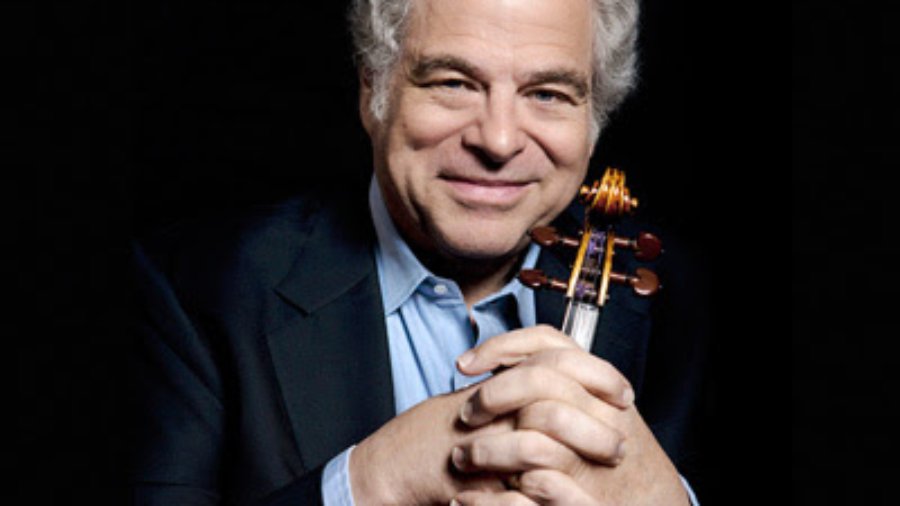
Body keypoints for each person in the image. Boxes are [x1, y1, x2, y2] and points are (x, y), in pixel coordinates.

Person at [129, 0, 709, 504]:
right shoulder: (198, 291)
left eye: (548, 93)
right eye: (453, 83)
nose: (499, 140)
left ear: (593, 120)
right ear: (372, 90)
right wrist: (370, 483)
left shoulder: (684, 305)